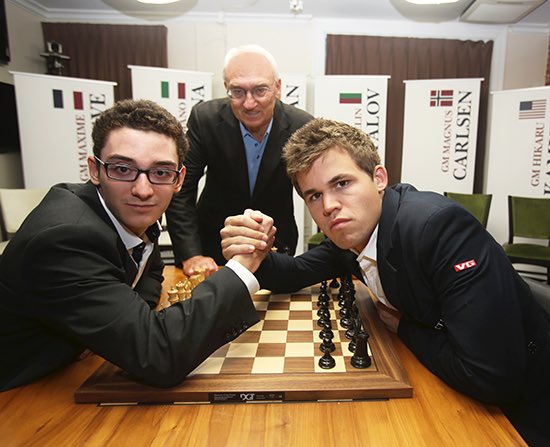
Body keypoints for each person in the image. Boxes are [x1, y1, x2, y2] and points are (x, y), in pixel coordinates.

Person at [221, 118, 550, 446]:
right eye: (314, 196)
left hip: (525, 410)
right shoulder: (351, 237)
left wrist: (405, 327)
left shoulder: (436, 229)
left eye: (342, 184)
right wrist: (252, 252)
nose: (330, 206)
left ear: (379, 178)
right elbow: (293, 274)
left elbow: (492, 376)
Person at [0, 99, 271, 392]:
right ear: (95, 170)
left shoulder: (124, 217)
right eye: (122, 169)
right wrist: (241, 268)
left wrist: (117, 325)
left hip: (65, 375)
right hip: (19, 397)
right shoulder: (66, 240)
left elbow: (150, 273)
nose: (142, 190)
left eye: (161, 172)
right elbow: (159, 356)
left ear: (179, 179)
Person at [165, 44, 313, 277]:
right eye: (238, 91)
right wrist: (191, 254)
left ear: (278, 88)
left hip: (274, 244)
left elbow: (316, 191)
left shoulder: (301, 126)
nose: (249, 103)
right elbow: (180, 189)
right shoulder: (205, 119)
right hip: (211, 249)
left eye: (260, 90)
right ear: (226, 88)